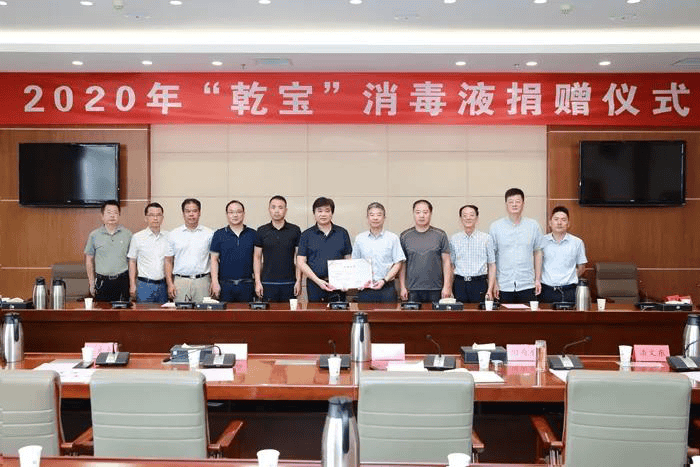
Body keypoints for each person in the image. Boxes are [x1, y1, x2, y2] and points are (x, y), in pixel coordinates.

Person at [489, 188, 543, 303]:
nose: (514, 204)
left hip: (527, 284)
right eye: (511, 202)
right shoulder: (495, 227)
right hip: (503, 285)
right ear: (506, 204)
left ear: (523, 204)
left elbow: (538, 252)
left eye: (518, 201)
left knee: (528, 314)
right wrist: (494, 283)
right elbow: (491, 258)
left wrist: (537, 279)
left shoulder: (533, 226)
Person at [297, 197, 352, 302]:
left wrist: (346, 280)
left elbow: (348, 258)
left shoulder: (342, 233)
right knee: (316, 312)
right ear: (314, 213)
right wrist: (318, 281)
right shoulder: (306, 235)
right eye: (320, 211)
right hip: (315, 285)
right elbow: (301, 262)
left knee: (339, 312)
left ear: (332, 213)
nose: (323, 214)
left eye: (327, 211)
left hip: (338, 285)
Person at [399, 199, 451, 303]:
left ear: (430, 214)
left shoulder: (440, 235)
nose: (421, 216)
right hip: (412, 289)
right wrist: (402, 287)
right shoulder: (405, 236)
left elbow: (446, 262)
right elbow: (402, 264)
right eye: (418, 212)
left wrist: (447, 286)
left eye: (425, 212)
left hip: (436, 289)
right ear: (413, 214)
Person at [352, 202, 405, 302]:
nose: (375, 218)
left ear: (384, 218)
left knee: (389, 312)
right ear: (367, 218)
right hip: (365, 288)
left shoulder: (393, 238)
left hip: (387, 287)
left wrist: (384, 280)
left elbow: (398, 263)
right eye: (372, 215)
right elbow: (355, 262)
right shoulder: (360, 239)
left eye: (379, 215)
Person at [253, 195, 302, 302]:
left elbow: (299, 258)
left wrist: (299, 281)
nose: (276, 211)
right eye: (273, 207)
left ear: (286, 210)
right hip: (267, 283)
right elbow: (257, 257)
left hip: (290, 283)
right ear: (269, 209)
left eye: (280, 207)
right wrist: (257, 282)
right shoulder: (261, 231)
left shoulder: (295, 230)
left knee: (290, 313)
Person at [165, 198, 213, 302]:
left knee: (203, 311)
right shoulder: (173, 234)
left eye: (194, 211)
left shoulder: (209, 234)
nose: (191, 214)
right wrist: (170, 284)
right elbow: (168, 261)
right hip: (180, 282)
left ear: (199, 213)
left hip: (203, 281)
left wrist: (213, 281)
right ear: (183, 214)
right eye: (188, 211)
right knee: (180, 312)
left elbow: (213, 260)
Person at [537, 206, 587, 303]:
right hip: (546, 290)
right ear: (550, 223)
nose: (559, 223)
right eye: (556, 219)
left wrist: (568, 277)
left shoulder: (577, 242)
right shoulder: (541, 241)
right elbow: (536, 265)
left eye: (563, 220)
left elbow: (581, 268)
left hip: (569, 291)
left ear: (568, 224)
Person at [84, 200, 132, 302]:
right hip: (102, 281)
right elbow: (89, 260)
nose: (112, 216)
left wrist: (132, 284)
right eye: (109, 212)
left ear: (119, 215)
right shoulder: (94, 235)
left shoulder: (128, 234)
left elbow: (132, 260)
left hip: (122, 280)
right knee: (102, 310)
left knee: (123, 311)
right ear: (102, 216)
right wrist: (91, 283)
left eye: (115, 213)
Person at [210, 200, 257, 302]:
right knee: (225, 312)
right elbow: (214, 260)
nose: (235, 215)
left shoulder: (253, 234)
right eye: (231, 212)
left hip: (247, 285)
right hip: (225, 285)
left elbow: (257, 259)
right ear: (227, 214)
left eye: (238, 212)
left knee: (247, 312)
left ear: (243, 214)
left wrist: (257, 282)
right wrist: (214, 282)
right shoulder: (219, 234)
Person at [450, 204, 496, 303]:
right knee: (459, 311)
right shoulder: (454, 239)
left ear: (477, 218)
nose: (468, 218)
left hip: (479, 283)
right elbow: (451, 266)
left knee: (479, 312)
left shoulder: (486, 238)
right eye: (465, 215)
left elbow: (492, 265)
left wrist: (490, 289)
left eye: (471, 215)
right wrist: (449, 288)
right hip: (459, 284)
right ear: (460, 219)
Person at [127, 202, 169, 303]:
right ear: (146, 218)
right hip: (144, 285)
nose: (155, 218)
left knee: (163, 312)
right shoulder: (137, 237)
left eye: (158, 215)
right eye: (151, 215)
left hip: (163, 285)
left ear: (162, 218)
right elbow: (132, 261)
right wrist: (132, 284)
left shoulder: (169, 236)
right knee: (143, 312)